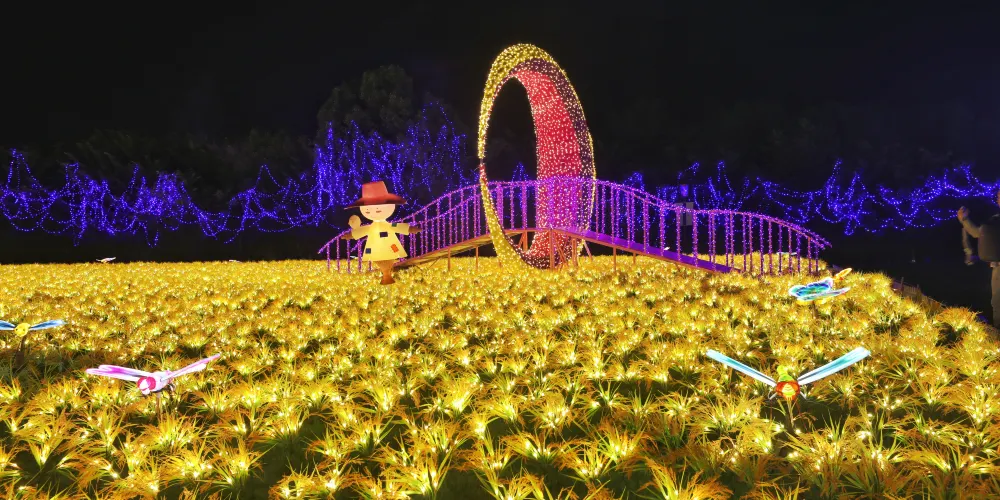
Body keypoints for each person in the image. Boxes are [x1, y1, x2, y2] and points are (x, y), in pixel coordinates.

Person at [346, 181, 421, 285]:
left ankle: (387, 275)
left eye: (378, 210)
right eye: (367, 211)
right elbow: (362, 231)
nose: (373, 213)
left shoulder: (388, 226)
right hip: (376, 250)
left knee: (391, 252)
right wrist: (351, 235)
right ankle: (386, 275)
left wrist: (410, 229)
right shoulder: (371, 227)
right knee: (384, 257)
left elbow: (396, 226)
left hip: (390, 247)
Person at [958, 187, 1000, 328]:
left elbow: (977, 233)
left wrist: (964, 220)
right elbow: (979, 234)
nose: (998, 199)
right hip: (997, 268)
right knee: (997, 304)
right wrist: (964, 220)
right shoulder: (995, 220)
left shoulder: (995, 220)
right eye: (998, 196)